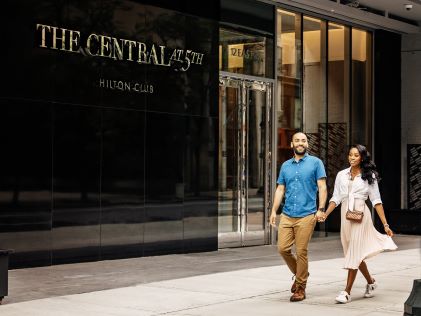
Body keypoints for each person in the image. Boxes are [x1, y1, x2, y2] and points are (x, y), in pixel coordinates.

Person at [318, 144, 397, 304]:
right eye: (350, 155)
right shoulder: (341, 175)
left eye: (356, 155)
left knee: (354, 253)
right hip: (346, 217)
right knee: (354, 254)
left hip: (361, 217)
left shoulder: (369, 176)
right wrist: (325, 214)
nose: (352, 158)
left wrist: (385, 225)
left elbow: (377, 201)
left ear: (362, 157)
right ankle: (371, 282)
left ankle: (346, 292)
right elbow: (336, 198)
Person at [269, 132, 327, 302]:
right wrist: (273, 211)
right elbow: (280, 189)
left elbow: (322, 187)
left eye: (303, 140)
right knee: (283, 249)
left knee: (301, 251)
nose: (300, 143)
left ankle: (300, 287)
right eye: (297, 140)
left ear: (307, 144)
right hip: (287, 214)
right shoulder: (285, 166)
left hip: (307, 214)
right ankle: (301, 272)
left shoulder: (316, 163)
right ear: (292, 144)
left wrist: (321, 208)